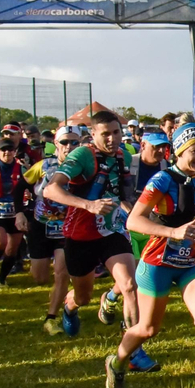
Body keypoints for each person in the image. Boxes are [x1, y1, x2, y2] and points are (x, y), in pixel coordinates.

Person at [104, 123, 195, 388]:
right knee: (148, 329)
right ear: (179, 150)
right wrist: (175, 232)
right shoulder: (162, 180)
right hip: (157, 261)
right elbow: (133, 222)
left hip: (191, 262)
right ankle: (117, 361)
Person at [43, 110, 143, 349]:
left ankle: (134, 349)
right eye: (106, 134)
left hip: (111, 231)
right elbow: (50, 190)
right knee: (83, 297)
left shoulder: (124, 156)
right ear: (93, 133)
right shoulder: (82, 155)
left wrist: (135, 211)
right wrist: (89, 205)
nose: (112, 139)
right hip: (81, 234)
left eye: (116, 132)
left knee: (129, 284)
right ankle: (70, 307)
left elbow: (120, 195)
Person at [22, 127, 74, 335]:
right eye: (65, 142)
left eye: (74, 143)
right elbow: (20, 188)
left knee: (62, 273)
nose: (69, 147)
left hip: (66, 228)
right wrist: (20, 213)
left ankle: (51, 318)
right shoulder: (43, 166)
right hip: (40, 226)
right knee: (40, 277)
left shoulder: (83, 169)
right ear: (56, 144)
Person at [0, 139, 27, 287]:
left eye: (10, 150)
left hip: (16, 212)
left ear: (15, 152)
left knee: (12, 248)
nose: (7, 153)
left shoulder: (22, 168)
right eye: (3, 150)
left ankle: (2, 278)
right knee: (1, 241)